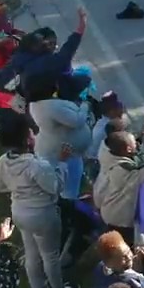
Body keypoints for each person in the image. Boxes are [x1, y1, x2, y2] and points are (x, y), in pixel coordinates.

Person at [0, 124, 81, 288]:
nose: (34, 135)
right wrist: (61, 163)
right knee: (50, 255)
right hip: (43, 214)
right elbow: (55, 187)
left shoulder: (3, 160)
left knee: (32, 253)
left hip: (19, 212)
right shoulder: (36, 165)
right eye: (31, 133)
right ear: (27, 140)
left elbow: (0, 186)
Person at [26, 70, 94, 200]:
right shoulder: (51, 106)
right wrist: (85, 106)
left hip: (62, 151)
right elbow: (77, 120)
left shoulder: (37, 104)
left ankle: (69, 201)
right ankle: (69, 207)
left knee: (66, 182)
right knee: (67, 185)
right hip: (62, 153)